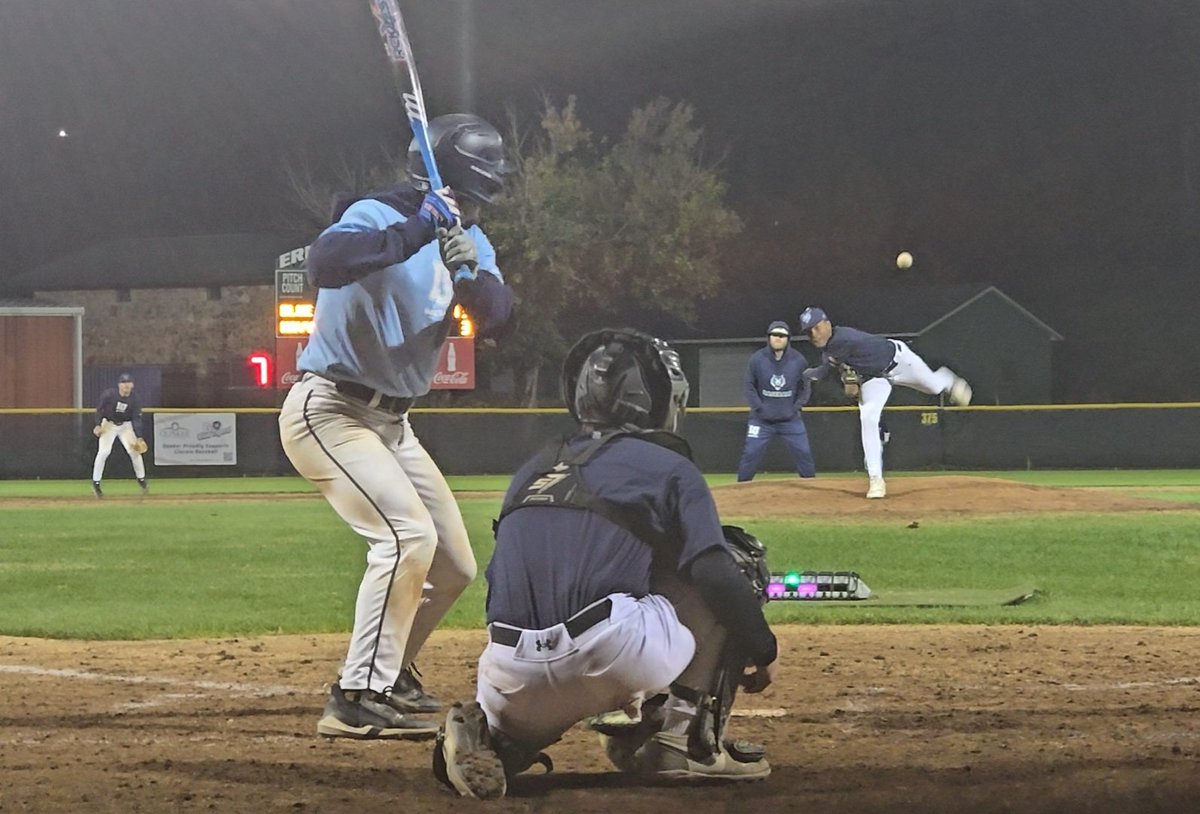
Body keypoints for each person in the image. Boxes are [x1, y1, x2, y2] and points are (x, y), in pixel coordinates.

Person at [434, 328, 779, 800]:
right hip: (614, 652)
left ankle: (497, 738)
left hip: (506, 666)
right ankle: (679, 741)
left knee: (529, 711)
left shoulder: (532, 469)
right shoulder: (669, 466)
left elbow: (502, 581)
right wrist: (762, 648)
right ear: (657, 399)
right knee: (735, 560)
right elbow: (713, 572)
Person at [278, 113, 515, 740]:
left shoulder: (471, 236)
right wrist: (418, 230)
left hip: (393, 424)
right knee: (406, 537)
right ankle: (356, 694)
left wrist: (473, 275)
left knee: (456, 565)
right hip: (331, 408)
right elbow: (327, 262)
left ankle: (394, 671)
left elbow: (497, 317)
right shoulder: (376, 214)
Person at [798, 306, 972, 499]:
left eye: (817, 327)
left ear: (827, 323)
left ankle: (948, 380)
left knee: (933, 387)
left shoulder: (841, 340)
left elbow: (832, 371)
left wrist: (816, 375)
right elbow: (841, 378)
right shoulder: (832, 350)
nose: (814, 334)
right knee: (868, 419)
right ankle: (876, 479)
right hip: (874, 378)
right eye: (808, 331)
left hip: (900, 361)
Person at [736, 320, 815, 482]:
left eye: (782, 335)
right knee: (750, 453)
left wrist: (795, 408)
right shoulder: (757, 359)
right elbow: (749, 386)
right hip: (761, 420)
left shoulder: (798, 360)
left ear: (788, 339)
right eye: (774, 335)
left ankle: (811, 489)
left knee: (804, 453)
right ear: (768, 337)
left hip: (790, 420)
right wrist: (759, 408)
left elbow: (805, 388)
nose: (778, 339)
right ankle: (741, 489)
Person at [91, 372, 148, 497]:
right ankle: (96, 483)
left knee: (134, 452)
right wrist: (98, 424)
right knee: (104, 452)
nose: (126, 385)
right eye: (123, 382)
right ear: (119, 385)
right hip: (109, 424)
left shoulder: (135, 399)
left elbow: (136, 419)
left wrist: (139, 436)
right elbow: (99, 410)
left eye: (128, 382)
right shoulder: (109, 395)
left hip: (125, 426)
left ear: (132, 385)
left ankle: (142, 480)